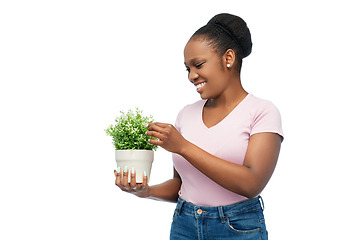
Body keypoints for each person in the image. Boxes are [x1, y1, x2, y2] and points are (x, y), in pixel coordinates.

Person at [114, 13, 283, 239]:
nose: (192, 76)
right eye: (187, 69)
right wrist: (146, 191)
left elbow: (251, 183)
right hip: (184, 224)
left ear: (228, 58)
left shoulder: (262, 111)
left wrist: (183, 146)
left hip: (237, 229)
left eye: (199, 65)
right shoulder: (186, 114)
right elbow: (182, 184)